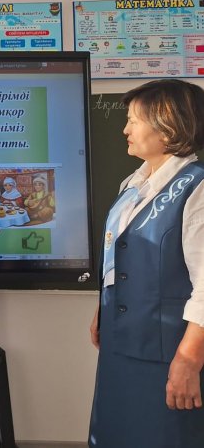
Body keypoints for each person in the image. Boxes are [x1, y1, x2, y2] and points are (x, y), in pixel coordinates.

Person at [88, 79, 204, 447]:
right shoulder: (132, 185)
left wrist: (189, 359)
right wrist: (102, 308)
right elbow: (119, 256)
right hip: (121, 345)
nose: (125, 130)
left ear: (167, 126)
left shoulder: (197, 188)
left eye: (134, 121)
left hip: (167, 351)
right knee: (116, 434)